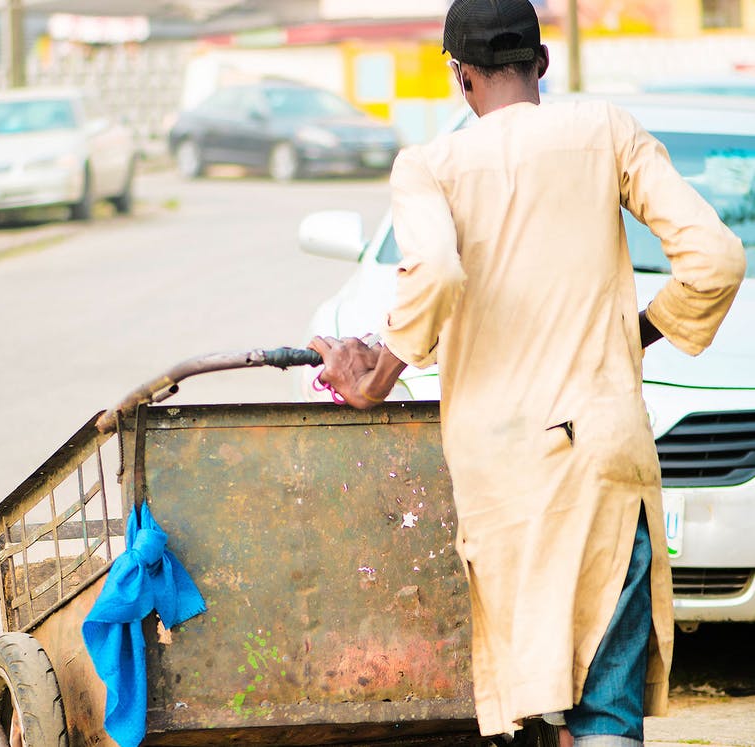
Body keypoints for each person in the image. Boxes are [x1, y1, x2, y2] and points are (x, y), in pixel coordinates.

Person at [309, 1, 746, 746]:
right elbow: (717, 260)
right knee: (604, 706)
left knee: (532, 699)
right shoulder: (607, 131)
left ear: (461, 78)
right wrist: (634, 332)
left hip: (501, 474)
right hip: (601, 459)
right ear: (541, 63)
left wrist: (378, 375)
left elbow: (435, 270)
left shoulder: (430, 167)